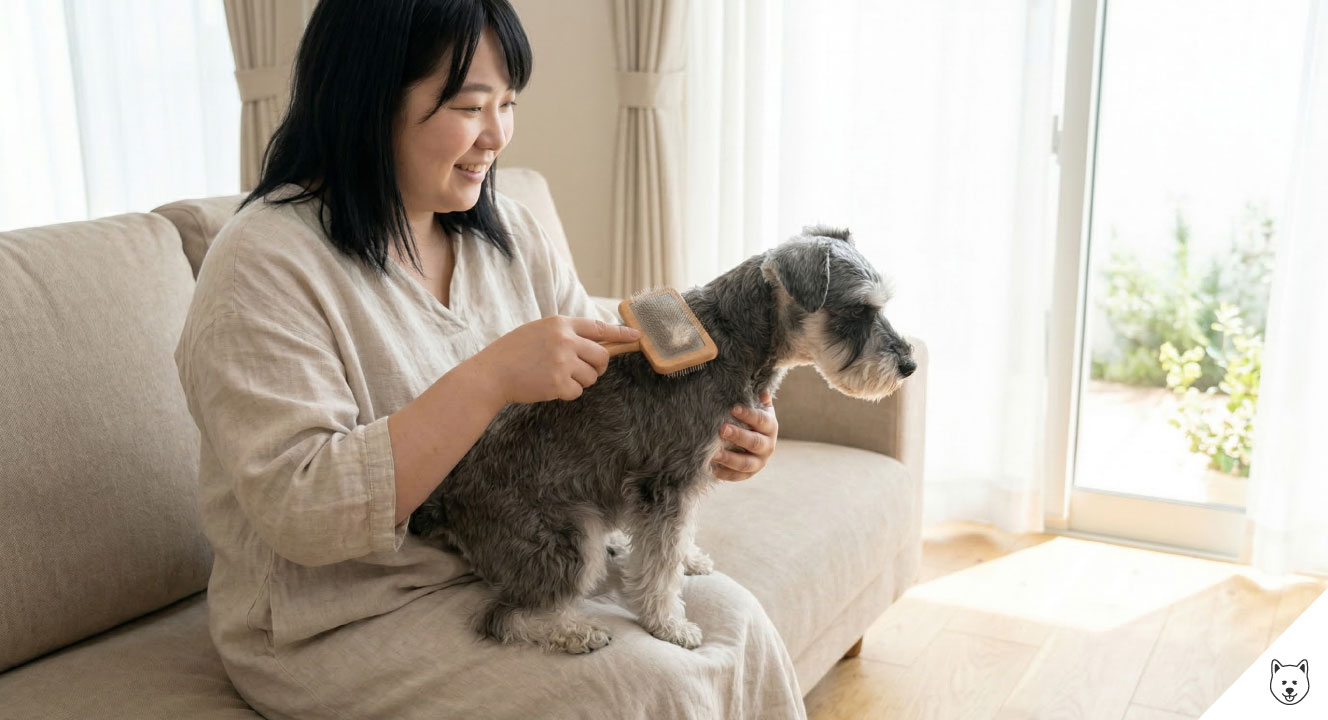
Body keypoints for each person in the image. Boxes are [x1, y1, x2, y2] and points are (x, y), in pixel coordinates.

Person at [173, 0, 805, 717]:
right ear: (367, 98)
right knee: (650, 685)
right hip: (345, 614)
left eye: (508, 103)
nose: (498, 134)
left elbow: (619, 379)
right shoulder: (262, 266)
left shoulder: (506, 233)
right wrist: (489, 378)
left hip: (518, 552)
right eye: (472, 107)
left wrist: (718, 434)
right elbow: (303, 508)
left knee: (737, 623)